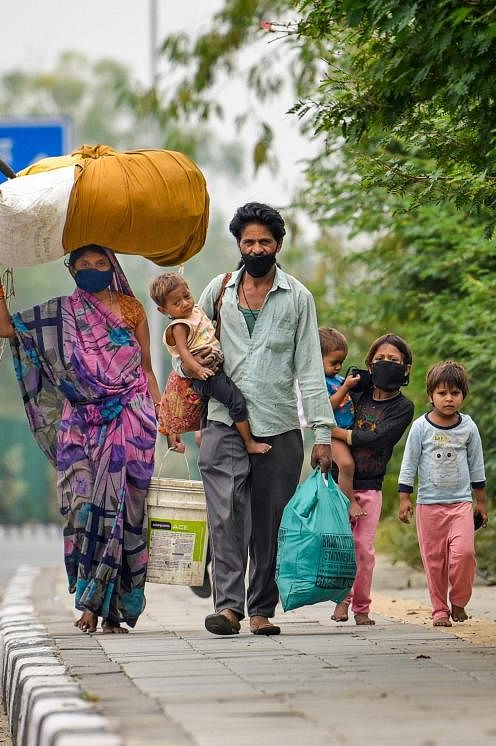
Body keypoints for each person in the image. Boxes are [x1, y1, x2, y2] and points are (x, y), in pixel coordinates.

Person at [0, 241, 161, 634]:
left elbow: (144, 369)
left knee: (123, 510)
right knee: (82, 508)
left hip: (130, 419)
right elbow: (4, 328)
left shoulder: (132, 310)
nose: (93, 269)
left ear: (113, 266)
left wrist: (167, 418)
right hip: (80, 425)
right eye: (84, 264)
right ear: (72, 271)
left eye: (100, 262)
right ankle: (91, 597)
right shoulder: (59, 315)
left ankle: (104, 609)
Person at [182, 202, 335, 637]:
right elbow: (187, 346)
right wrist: (189, 368)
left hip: (281, 424)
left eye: (264, 241)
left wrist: (321, 433)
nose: (256, 248)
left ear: (278, 245)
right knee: (227, 515)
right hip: (222, 420)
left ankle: (260, 609)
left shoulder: (298, 297)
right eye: (248, 241)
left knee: (270, 521)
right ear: (237, 245)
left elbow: (309, 368)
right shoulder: (219, 289)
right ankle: (228, 609)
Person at [330, 333, 415, 625]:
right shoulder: (357, 391)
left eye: (393, 360)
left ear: (406, 369)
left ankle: (361, 607)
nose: (386, 364)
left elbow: (377, 439)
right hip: (337, 483)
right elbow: (328, 405)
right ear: (369, 363)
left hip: (370, 487)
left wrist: (336, 433)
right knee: (340, 545)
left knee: (363, 549)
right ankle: (341, 599)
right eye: (379, 360)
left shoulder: (403, 407)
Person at [397, 360, 488, 627]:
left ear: (463, 395)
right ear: (431, 396)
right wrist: (404, 498)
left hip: (460, 503)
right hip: (428, 506)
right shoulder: (420, 427)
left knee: (464, 554)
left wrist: (480, 501)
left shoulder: (468, 427)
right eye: (442, 393)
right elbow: (409, 463)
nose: (449, 398)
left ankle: (458, 601)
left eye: (455, 393)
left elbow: (477, 464)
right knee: (434, 561)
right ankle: (439, 609)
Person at [149, 271, 272, 456]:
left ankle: (207, 446)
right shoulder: (179, 326)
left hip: (212, 368)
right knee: (236, 402)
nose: (185, 303)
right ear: (164, 310)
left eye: (186, 296)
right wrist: (198, 369)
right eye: (176, 303)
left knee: (206, 414)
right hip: (206, 375)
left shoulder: (196, 311)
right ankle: (249, 443)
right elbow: (183, 352)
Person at [319, 327, 362, 506]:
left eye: (341, 362)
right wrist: (345, 388)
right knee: (346, 465)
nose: (339, 367)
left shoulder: (336, 379)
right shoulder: (319, 382)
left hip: (347, 431)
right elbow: (326, 407)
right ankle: (349, 502)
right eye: (334, 362)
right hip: (331, 434)